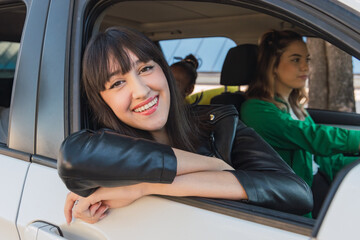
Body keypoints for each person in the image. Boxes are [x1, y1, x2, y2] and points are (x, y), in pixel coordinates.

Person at [57, 26, 313, 224]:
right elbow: (71, 157)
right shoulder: (103, 146)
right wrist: (213, 166)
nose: (141, 91)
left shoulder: (219, 123)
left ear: (164, 71)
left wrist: (146, 185)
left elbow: (298, 194)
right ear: (102, 100)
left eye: (145, 68)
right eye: (117, 83)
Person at [241, 29, 360, 218]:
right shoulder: (256, 110)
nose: (305, 67)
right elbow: (312, 136)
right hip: (295, 198)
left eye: (307, 60)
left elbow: (322, 161)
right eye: (296, 60)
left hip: (315, 184)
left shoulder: (295, 107)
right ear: (272, 65)